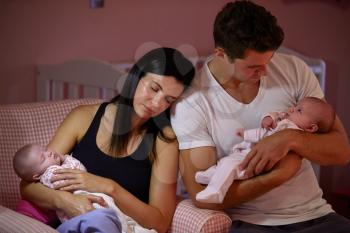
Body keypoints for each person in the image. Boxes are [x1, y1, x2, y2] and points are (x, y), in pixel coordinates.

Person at [170, 1, 350, 232]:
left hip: (317, 215)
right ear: (221, 54)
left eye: (269, 60)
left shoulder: (295, 69)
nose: (265, 72)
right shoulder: (192, 103)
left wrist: (288, 139)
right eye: (254, 67)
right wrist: (278, 175)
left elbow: (341, 151)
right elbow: (203, 197)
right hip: (250, 223)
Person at [19, 47, 195, 233]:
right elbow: (29, 185)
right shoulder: (82, 118)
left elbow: (160, 222)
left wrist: (109, 187)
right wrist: (67, 202)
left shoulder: (164, 141)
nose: (157, 103)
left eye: (168, 99)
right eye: (154, 88)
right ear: (136, 77)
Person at [195, 97, 335, 203]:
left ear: (311, 128)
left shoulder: (293, 131)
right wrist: (268, 119)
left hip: (256, 162)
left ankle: (215, 192)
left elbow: (264, 135)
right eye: (296, 106)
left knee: (230, 166)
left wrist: (247, 134)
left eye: (299, 110)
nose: (292, 109)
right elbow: (266, 130)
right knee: (226, 163)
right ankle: (212, 176)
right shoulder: (284, 124)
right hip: (248, 154)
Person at [13, 143, 156, 233]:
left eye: (45, 149)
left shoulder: (54, 167)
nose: (49, 153)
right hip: (83, 204)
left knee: (120, 215)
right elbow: (78, 168)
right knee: (111, 219)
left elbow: (80, 170)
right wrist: (65, 158)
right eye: (43, 158)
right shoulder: (49, 176)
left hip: (94, 197)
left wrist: (64, 159)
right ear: (36, 176)